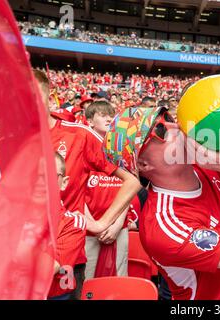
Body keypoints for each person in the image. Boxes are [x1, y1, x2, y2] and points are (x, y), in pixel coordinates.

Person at [101, 103, 220, 300]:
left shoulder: (200, 165)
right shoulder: (164, 224)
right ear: (142, 164)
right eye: (160, 130)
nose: (175, 127)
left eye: (169, 119)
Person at [32, 69, 141, 299]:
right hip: (16, 254)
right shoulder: (4, 138)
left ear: (50, 99)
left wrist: (101, 223)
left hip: (65, 256)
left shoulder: (78, 136)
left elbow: (131, 180)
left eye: (34, 97)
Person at [83, 101, 134, 279]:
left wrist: (118, 223)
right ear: (89, 121)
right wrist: (93, 225)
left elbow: (130, 188)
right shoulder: (82, 149)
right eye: (103, 115)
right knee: (86, 278)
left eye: (111, 115)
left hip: (119, 225)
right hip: (89, 226)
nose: (109, 118)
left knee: (120, 276)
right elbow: (77, 193)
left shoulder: (123, 151)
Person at [47, 153, 86, 300]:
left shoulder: (73, 222)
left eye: (51, 175)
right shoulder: (14, 216)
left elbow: (50, 268)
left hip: (56, 295)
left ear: (64, 182)